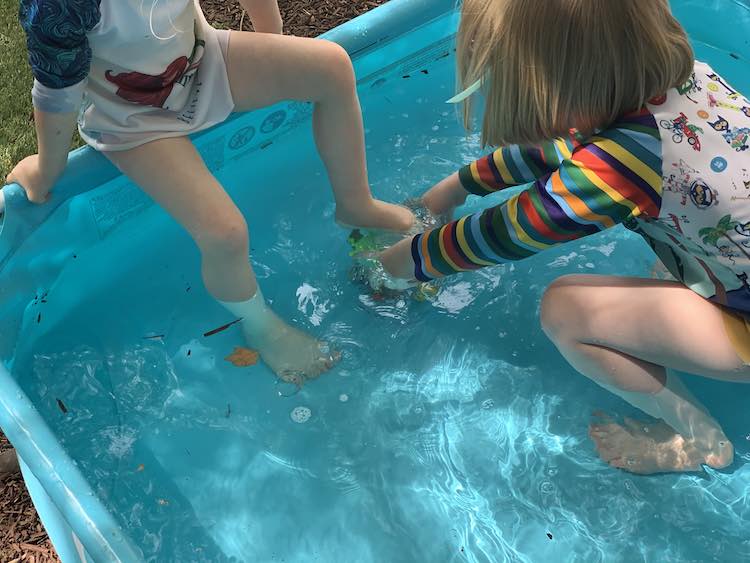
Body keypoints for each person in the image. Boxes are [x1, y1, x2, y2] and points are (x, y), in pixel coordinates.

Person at [379, 0, 750, 474]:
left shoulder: (623, 165)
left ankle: (699, 438)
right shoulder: (690, 80)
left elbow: (506, 233)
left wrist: (394, 265)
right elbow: (560, 148)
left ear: (559, 92)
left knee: (566, 310)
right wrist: (453, 188)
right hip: (731, 263)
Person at [8, 0, 416, 384]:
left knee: (332, 67)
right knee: (225, 233)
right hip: (131, 121)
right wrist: (48, 169)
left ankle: (355, 205)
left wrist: (271, 39)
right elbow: (57, 91)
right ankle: (262, 328)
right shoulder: (59, 6)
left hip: (204, 65)